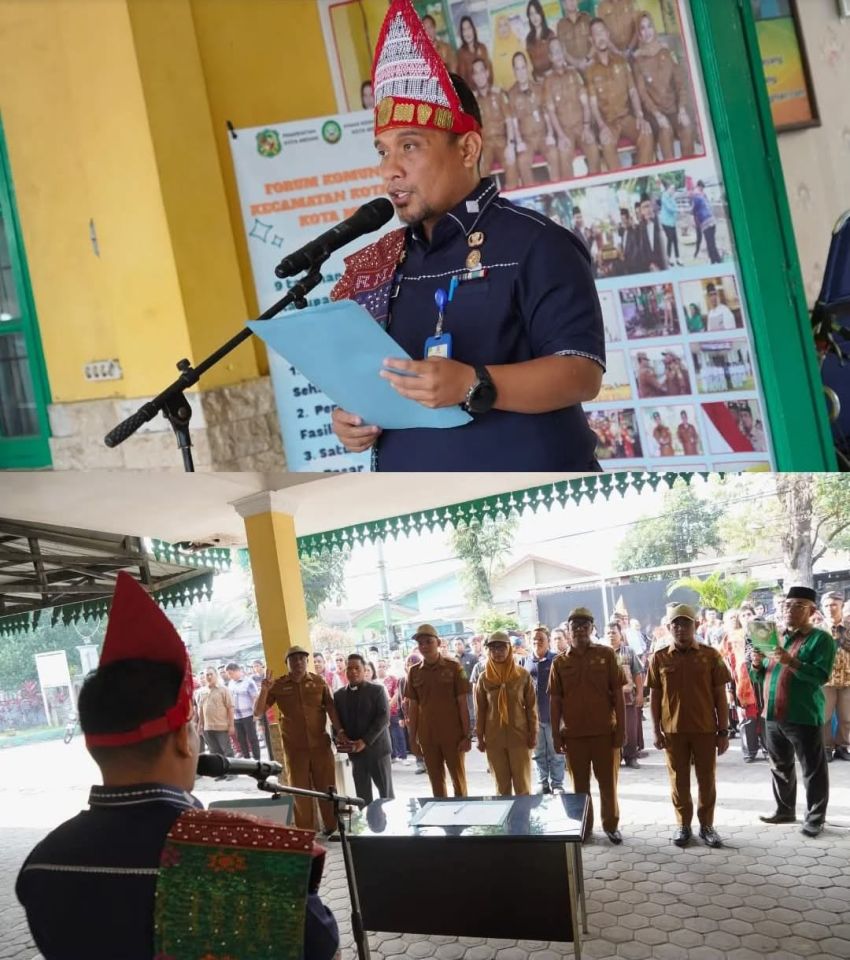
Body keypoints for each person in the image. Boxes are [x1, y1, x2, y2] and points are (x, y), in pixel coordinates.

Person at [330, 0, 605, 472]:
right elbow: (373, 380)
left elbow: (580, 373)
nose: (389, 170)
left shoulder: (537, 244)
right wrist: (351, 419)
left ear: (468, 148)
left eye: (410, 146)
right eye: (382, 151)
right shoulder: (382, 263)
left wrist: (474, 383)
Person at [15, 573, 339, 960]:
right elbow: (325, 951)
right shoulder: (262, 856)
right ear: (185, 740)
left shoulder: (42, 866)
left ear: (92, 743)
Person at [750, 587, 836, 837]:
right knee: (779, 765)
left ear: (811, 610)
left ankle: (816, 818)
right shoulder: (774, 637)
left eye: (798, 605)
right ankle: (785, 810)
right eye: (787, 604)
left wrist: (792, 662)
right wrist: (756, 663)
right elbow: (762, 673)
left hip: (803, 714)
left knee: (813, 768)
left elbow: (820, 676)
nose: (790, 609)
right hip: (772, 714)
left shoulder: (821, 639)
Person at [646, 603, 732, 849]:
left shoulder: (710, 655)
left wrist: (723, 731)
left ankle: (707, 826)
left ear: (696, 625)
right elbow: (654, 698)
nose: (680, 628)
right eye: (675, 624)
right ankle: (683, 825)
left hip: (705, 730)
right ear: (668, 627)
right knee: (678, 780)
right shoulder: (659, 657)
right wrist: (655, 730)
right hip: (673, 732)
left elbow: (720, 696)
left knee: (707, 780)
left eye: (685, 623)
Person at [549, 607, 626, 844]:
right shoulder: (560, 662)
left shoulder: (607, 654)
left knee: (608, 784)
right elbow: (555, 701)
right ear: (568, 631)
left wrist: (621, 729)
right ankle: (585, 826)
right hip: (574, 736)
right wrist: (556, 735)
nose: (580, 630)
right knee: (579, 786)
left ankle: (611, 825)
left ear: (592, 628)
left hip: (605, 732)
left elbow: (618, 694)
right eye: (575, 626)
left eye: (585, 625)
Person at [254, 646, 342, 837]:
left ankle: (333, 827)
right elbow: (258, 712)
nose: (298, 662)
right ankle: (306, 833)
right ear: (287, 663)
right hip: (295, 749)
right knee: (300, 792)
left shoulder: (319, 682)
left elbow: (331, 709)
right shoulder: (278, 685)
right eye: (293, 660)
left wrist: (340, 731)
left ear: (307, 661)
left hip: (320, 746)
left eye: (302, 659)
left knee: (327, 788)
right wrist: (264, 691)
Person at [406, 623, 472, 796]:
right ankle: (443, 820)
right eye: (421, 643)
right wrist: (412, 739)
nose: (425, 646)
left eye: (428, 641)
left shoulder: (454, 667)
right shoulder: (413, 672)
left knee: (459, 781)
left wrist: (467, 735)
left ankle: (464, 820)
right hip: (428, 736)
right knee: (436, 783)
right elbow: (412, 707)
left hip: (453, 735)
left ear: (438, 642)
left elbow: (463, 703)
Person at [475, 631, 538, 795]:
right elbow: (480, 710)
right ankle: (506, 821)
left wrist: (533, 733)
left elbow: (531, 707)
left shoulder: (522, 675)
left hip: (519, 735)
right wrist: (480, 737)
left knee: (522, 785)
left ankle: (523, 820)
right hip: (494, 737)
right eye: (493, 648)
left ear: (509, 649)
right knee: (501, 787)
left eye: (502, 647)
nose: (497, 652)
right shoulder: (484, 678)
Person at [633, 12, 696, 161]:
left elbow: (681, 83)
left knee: (687, 128)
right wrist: (657, 115)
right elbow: (642, 94)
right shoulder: (638, 60)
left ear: (654, 28)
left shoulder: (666, 52)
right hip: (655, 114)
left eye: (649, 26)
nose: (647, 31)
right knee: (665, 131)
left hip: (673, 109)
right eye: (642, 28)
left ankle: (689, 169)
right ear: (639, 33)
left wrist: (682, 109)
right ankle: (671, 170)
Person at [333, 654, 394, 804]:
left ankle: (389, 824)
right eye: (349, 668)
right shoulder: (339, 695)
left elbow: (383, 718)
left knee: (386, 794)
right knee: (362, 796)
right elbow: (337, 721)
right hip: (356, 755)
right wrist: (339, 737)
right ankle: (366, 823)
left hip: (378, 752)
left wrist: (365, 741)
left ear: (364, 670)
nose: (353, 671)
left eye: (357, 668)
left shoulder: (377, 690)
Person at [544, 37, 600, 179]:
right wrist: (561, 136)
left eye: (560, 51)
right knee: (564, 155)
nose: (558, 55)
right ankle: (572, 195)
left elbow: (585, 104)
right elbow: (551, 112)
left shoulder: (574, 74)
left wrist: (587, 127)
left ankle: (596, 189)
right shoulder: (548, 81)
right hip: (565, 131)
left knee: (593, 149)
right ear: (550, 57)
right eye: (554, 52)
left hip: (582, 127)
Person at [508, 51, 561, 185]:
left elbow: (546, 113)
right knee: (522, 161)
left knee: (554, 153)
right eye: (517, 69)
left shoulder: (539, 88)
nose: (521, 72)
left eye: (523, 67)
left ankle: (558, 190)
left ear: (528, 68)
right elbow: (514, 121)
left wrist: (550, 134)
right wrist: (519, 141)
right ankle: (531, 199)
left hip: (543, 136)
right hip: (527, 140)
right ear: (514, 71)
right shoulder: (512, 93)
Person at [528, 624, 566, 793]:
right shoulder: (524, 662)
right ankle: (542, 783)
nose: (537, 642)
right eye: (534, 639)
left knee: (556, 751)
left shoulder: (557, 660)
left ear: (548, 641)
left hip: (553, 716)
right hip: (534, 717)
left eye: (541, 639)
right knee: (538, 753)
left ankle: (557, 784)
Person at [471, 57, 519, 189]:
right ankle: (489, 206)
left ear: (487, 73)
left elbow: (509, 121)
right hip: (484, 144)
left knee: (511, 162)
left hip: (502, 141)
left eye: (482, 71)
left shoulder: (499, 94)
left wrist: (510, 145)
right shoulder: (472, 100)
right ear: (473, 77)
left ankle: (511, 200)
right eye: (476, 73)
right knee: (479, 170)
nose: (480, 76)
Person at [606, 620, 645, 768]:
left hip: (628, 697)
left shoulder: (629, 651)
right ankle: (616, 758)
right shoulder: (602, 652)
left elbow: (637, 673)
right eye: (608, 633)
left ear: (620, 634)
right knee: (611, 729)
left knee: (630, 728)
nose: (611, 635)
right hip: (608, 700)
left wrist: (640, 693)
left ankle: (631, 757)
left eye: (614, 632)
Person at [821, 591, 850, 760]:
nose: (830, 609)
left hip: (847, 679)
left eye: (834, 604)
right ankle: (826, 747)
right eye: (826, 605)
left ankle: (843, 746)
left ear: (841, 605)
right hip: (825, 681)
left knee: (846, 717)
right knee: (824, 716)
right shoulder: (817, 629)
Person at [198, 666, 235, 767]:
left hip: (221, 726)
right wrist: (200, 726)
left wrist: (231, 725)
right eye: (207, 675)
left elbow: (230, 708)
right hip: (207, 728)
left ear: (216, 675)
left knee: (227, 751)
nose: (209, 676)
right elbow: (200, 710)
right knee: (214, 753)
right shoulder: (201, 692)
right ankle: (220, 772)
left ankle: (232, 771)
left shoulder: (223, 690)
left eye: (211, 674)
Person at [225, 662, 261, 760]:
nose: (229, 676)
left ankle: (258, 760)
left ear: (237, 670)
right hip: (236, 717)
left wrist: (256, 714)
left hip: (249, 715)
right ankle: (247, 760)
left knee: (252, 738)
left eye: (230, 673)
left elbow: (255, 698)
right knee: (241, 740)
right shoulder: (231, 683)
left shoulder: (249, 682)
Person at [378, 658, 407, 762]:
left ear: (386, 667)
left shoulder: (392, 678)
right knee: (388, 735)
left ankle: (403, 756)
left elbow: (397, 693)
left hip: (393, 710)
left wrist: (389, 706)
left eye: (383, 666)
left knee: (397, 733)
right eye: (379, 666)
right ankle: (392, 756)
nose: (381, 668)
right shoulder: (375, 681)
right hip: (380, 713)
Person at [456, 14, 492, 91]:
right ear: (462, 34)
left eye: (469, 28)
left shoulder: (482, 48)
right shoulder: (461, 54)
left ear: (473, 29)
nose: (467, 32)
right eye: (464, 30)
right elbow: (462, 80)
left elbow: (489, 71)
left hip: (486, 91)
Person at [633, 192, 667, 273]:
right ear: (641, 211)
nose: (647, 210)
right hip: (650, 269)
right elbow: (642, 251)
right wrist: (651, 265)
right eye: (644, 207)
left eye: (649, 206)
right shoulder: (641, 229)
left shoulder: (661, 223)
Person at [556, 0, 593, 71]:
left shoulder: (587, 18)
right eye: (568, 0)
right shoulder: (560, 25)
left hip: (590, 64)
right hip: (573, 69)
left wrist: (586, 59)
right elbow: (563, 50)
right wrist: (577, 63)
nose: (572, 2)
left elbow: (595, 42)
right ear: (563, 4)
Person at [692, 181, 722, 264]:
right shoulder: (704, 196)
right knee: (711, 243)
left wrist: (693, 217)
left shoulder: (696, 196)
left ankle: (716, 261)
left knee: (710, 244)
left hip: (706, 222)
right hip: (712, 221)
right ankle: (716, 260)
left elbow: (694, 210)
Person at [525, 0, 555, 80]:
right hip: (538, 80)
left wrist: (550, 73)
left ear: (541, 13)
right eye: (531, 14)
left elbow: (556, 57)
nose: (534, 17)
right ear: (529, 17)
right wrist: (537, 77)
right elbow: (530, 63)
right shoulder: (529, 39)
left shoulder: (550, 34)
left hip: (553, 77)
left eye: (536, 13)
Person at [659, 182, 682, 265]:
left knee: (675, 240)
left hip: (672, 222)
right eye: (671, 189)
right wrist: (677, 210)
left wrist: (677, 211)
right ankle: (669, 258)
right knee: (670, 239)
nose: (673, 190)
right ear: (668, 189)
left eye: (674, 189)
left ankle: (678, 258)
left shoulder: (672, 198)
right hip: (665, 222)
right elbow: (669, 208)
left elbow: (675, 206)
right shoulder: (664, 197)